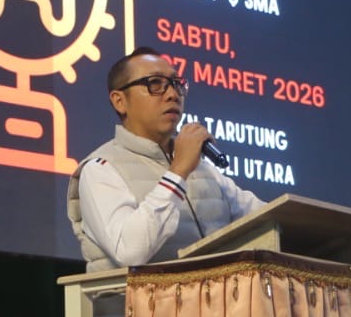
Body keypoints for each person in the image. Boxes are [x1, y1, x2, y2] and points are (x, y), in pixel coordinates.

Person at [67, 46, 263, 270]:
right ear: (119, 101)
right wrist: (178, 171)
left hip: (216, 292)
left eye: (176, 84)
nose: (172, 94)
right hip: (136, 294)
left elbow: (264, 219)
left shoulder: (203, 169)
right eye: (155, 84)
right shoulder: (101, 168)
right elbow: (130, 251)